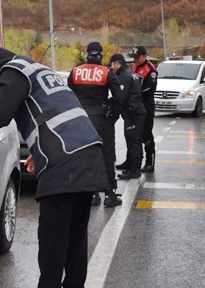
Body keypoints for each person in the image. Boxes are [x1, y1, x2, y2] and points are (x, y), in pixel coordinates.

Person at [0, 46, 107, 288]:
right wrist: (40, 150)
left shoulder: (12, 71)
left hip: (65, 160)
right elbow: (52, 111)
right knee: (74, 236)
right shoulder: (37, 69)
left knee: (52, 241)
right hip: (87, 153)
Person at [67, 42, 124, 208]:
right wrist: (113, 117)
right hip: (102, 120)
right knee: (107, 155)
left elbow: (68, 97)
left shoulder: (75, 72)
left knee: (85, 155)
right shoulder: (106, 72)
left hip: (82, 121)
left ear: (87, 55)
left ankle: (90, 194)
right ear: (101, 55)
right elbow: (119, 98)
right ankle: (110, 194)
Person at [110, 53, 147, 180]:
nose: (111, 68)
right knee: (134, 140)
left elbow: (121, 97)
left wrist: (113, 114)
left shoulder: (124, 76)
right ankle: (131, 163)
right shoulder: (129, 72)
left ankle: (134, 170)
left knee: (133, 142)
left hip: (133, 112)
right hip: (137, 111)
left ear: (116, 63)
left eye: (112, 65)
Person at [130, 46, 158, 173]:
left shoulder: (150, 70)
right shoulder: (134, 67)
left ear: (144, 56)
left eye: (138, 57)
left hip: (146, 105)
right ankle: (131, 160)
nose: (135, 59)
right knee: (133, 134)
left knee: (146, 134)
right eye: (134, 57)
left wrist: (135, 93)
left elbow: (150, 89)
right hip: (135, 104)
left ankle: (149, 162)